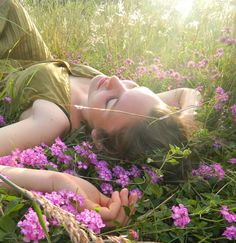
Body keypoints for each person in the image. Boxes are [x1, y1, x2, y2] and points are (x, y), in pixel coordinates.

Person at [0, 0, 200, 225]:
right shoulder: (135, 110)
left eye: (113, 102)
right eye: (133, 86)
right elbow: (186, 92)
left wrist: (56, 180)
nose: (115, 80)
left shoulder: (52, 120)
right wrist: (183, 118)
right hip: (31, 53)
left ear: (98, 141)